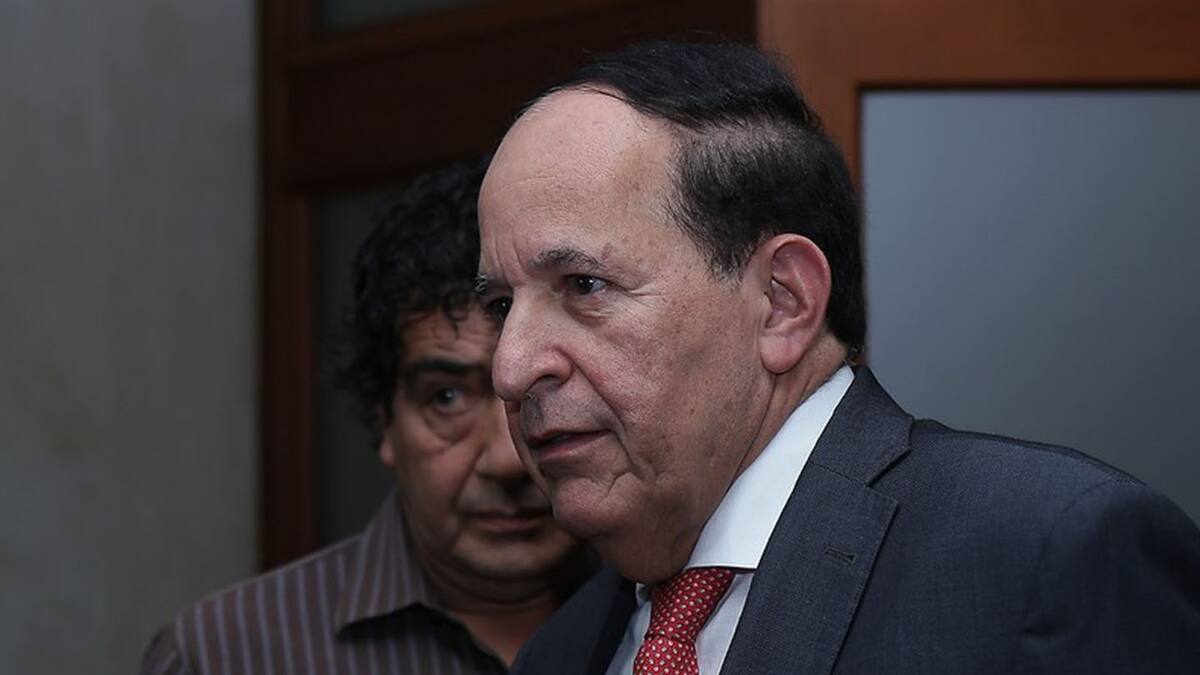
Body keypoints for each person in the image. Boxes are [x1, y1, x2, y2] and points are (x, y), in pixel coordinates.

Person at [473, 42, 1200, 674]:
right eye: (502, 305)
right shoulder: (564, 650)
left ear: (782, 302)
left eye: (584, 285)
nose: (511, 367)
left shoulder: (1046, 557)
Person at [142, 162, 591, 674]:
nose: (506, 459)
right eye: (446, 397)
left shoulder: (657, 618)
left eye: (540, 389)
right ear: (384, 420)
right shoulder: (223, 655)